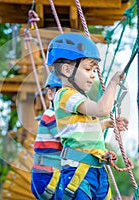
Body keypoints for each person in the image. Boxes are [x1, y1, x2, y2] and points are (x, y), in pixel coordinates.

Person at [46, 33, 129, 199]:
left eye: (93, 70)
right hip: (78, 172)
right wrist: (112, 84)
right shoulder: (65, 95)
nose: (93, 75)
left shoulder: (79, 99)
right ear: (67, 69)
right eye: (88, 69)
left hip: (97, 171)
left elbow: (81, 131)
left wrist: (106, 124)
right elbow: (101, 109)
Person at [31, 70, 63, 199]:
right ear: (50, 94)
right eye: (62, 94)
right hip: (45, 176)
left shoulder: (61, 117)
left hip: (53, 173)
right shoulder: (51, 116)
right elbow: (67, 138)